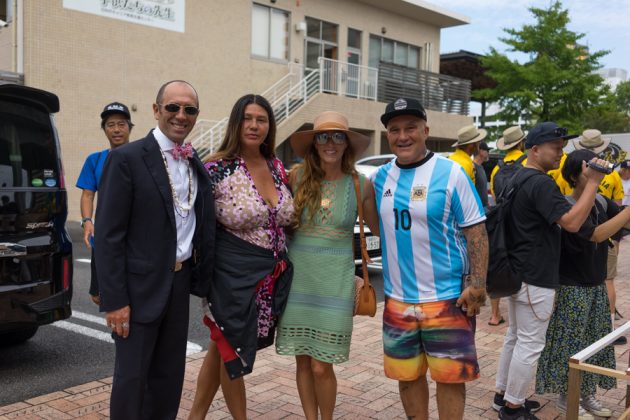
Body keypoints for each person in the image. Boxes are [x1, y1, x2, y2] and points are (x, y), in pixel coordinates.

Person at [95, 80, 216, 420]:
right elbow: (108, 235)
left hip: (178, 285)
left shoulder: (194, 162)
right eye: (173, 107)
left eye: (189, 110)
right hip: (136, 290)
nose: (181, 115)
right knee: (132, 379)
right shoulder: (126, 159)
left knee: (168, 378)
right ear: (156, 110)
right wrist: (114, 299)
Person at [371, 98, 488, 419]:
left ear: (426, 130)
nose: (402, 136)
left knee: (450, 379)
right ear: (388, 135)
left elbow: (476, 231)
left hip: (448, 300)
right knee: (407, 378)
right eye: (394, 130)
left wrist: (477, 284)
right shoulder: (379, 178)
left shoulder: (451, 173)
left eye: (410, 128)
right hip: (397, 301)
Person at [188, 94, 294, 420]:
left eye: (261, 119)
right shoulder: (215, 168)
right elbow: (193, 221)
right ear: (236, 122)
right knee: (232, 351)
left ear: (269, 126)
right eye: (247, 118)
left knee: (220, 349)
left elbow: (289, 220)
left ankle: (195, 416)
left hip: (266, 278)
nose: (254, 125)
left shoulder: (277, 167)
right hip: (230, 276)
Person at [494, 122, 608, 420]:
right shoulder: (541, 182)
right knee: (530, 343)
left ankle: (502, 395)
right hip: (535, 275)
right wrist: (593, 182)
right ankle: (512, 407)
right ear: (535, 149)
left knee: (515, 337)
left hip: (516, 271)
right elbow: (571, 222)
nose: (560, 153)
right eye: (555, 148)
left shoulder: (516, 177)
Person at [275, 111, 379, 420]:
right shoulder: (295, 177)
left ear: (347, 143)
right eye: (323, 136)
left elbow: (382, 230)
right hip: (299, 281)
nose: (330, 143)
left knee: (323, 365)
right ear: (313, 143)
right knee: (303, 362)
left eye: (337, 136)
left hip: (336, 283)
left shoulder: (361, 184)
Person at [536, 149, 630, 419]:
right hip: (572, 288)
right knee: (571, 346)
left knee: (593, 343)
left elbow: (622, 221)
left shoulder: (600, 200)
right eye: (592, 166)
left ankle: (586, 395)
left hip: (596, 285)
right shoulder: (566, 207)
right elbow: (597, 234)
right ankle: (568, 399)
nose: (600, 169)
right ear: (577, 174)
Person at [76, 102, 133, 305]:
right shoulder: (95, 160)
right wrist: (87, 221)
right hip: (105, 234)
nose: (116, 129)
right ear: (104, 129)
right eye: (110, 125)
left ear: (129, 127)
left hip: (137, 236)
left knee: (136, 289)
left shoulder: (142, 156)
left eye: (121, 124)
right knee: (100, 294)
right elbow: (88, 195)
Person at [573, 129, 626, 339]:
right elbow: (619, 209)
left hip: (571, 233)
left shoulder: (568, 169)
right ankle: (608, 328)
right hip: (605, 236)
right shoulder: (611, 173)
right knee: (608, 280)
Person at [488, 126, 528, 327]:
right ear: (522, 143)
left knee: (498, 265)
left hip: (500, 222)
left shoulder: (497, 167)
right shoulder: (529, 163)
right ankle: (519, 314)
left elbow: (495, 196)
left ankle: (495, 314)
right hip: (523, 223)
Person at [472, 141, 490, 207]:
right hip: (476, 209)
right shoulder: (472, 167)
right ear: (480, 151)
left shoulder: (481, 167)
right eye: (487, 150)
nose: (488, 153)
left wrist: (487, 201)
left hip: (484, 207)